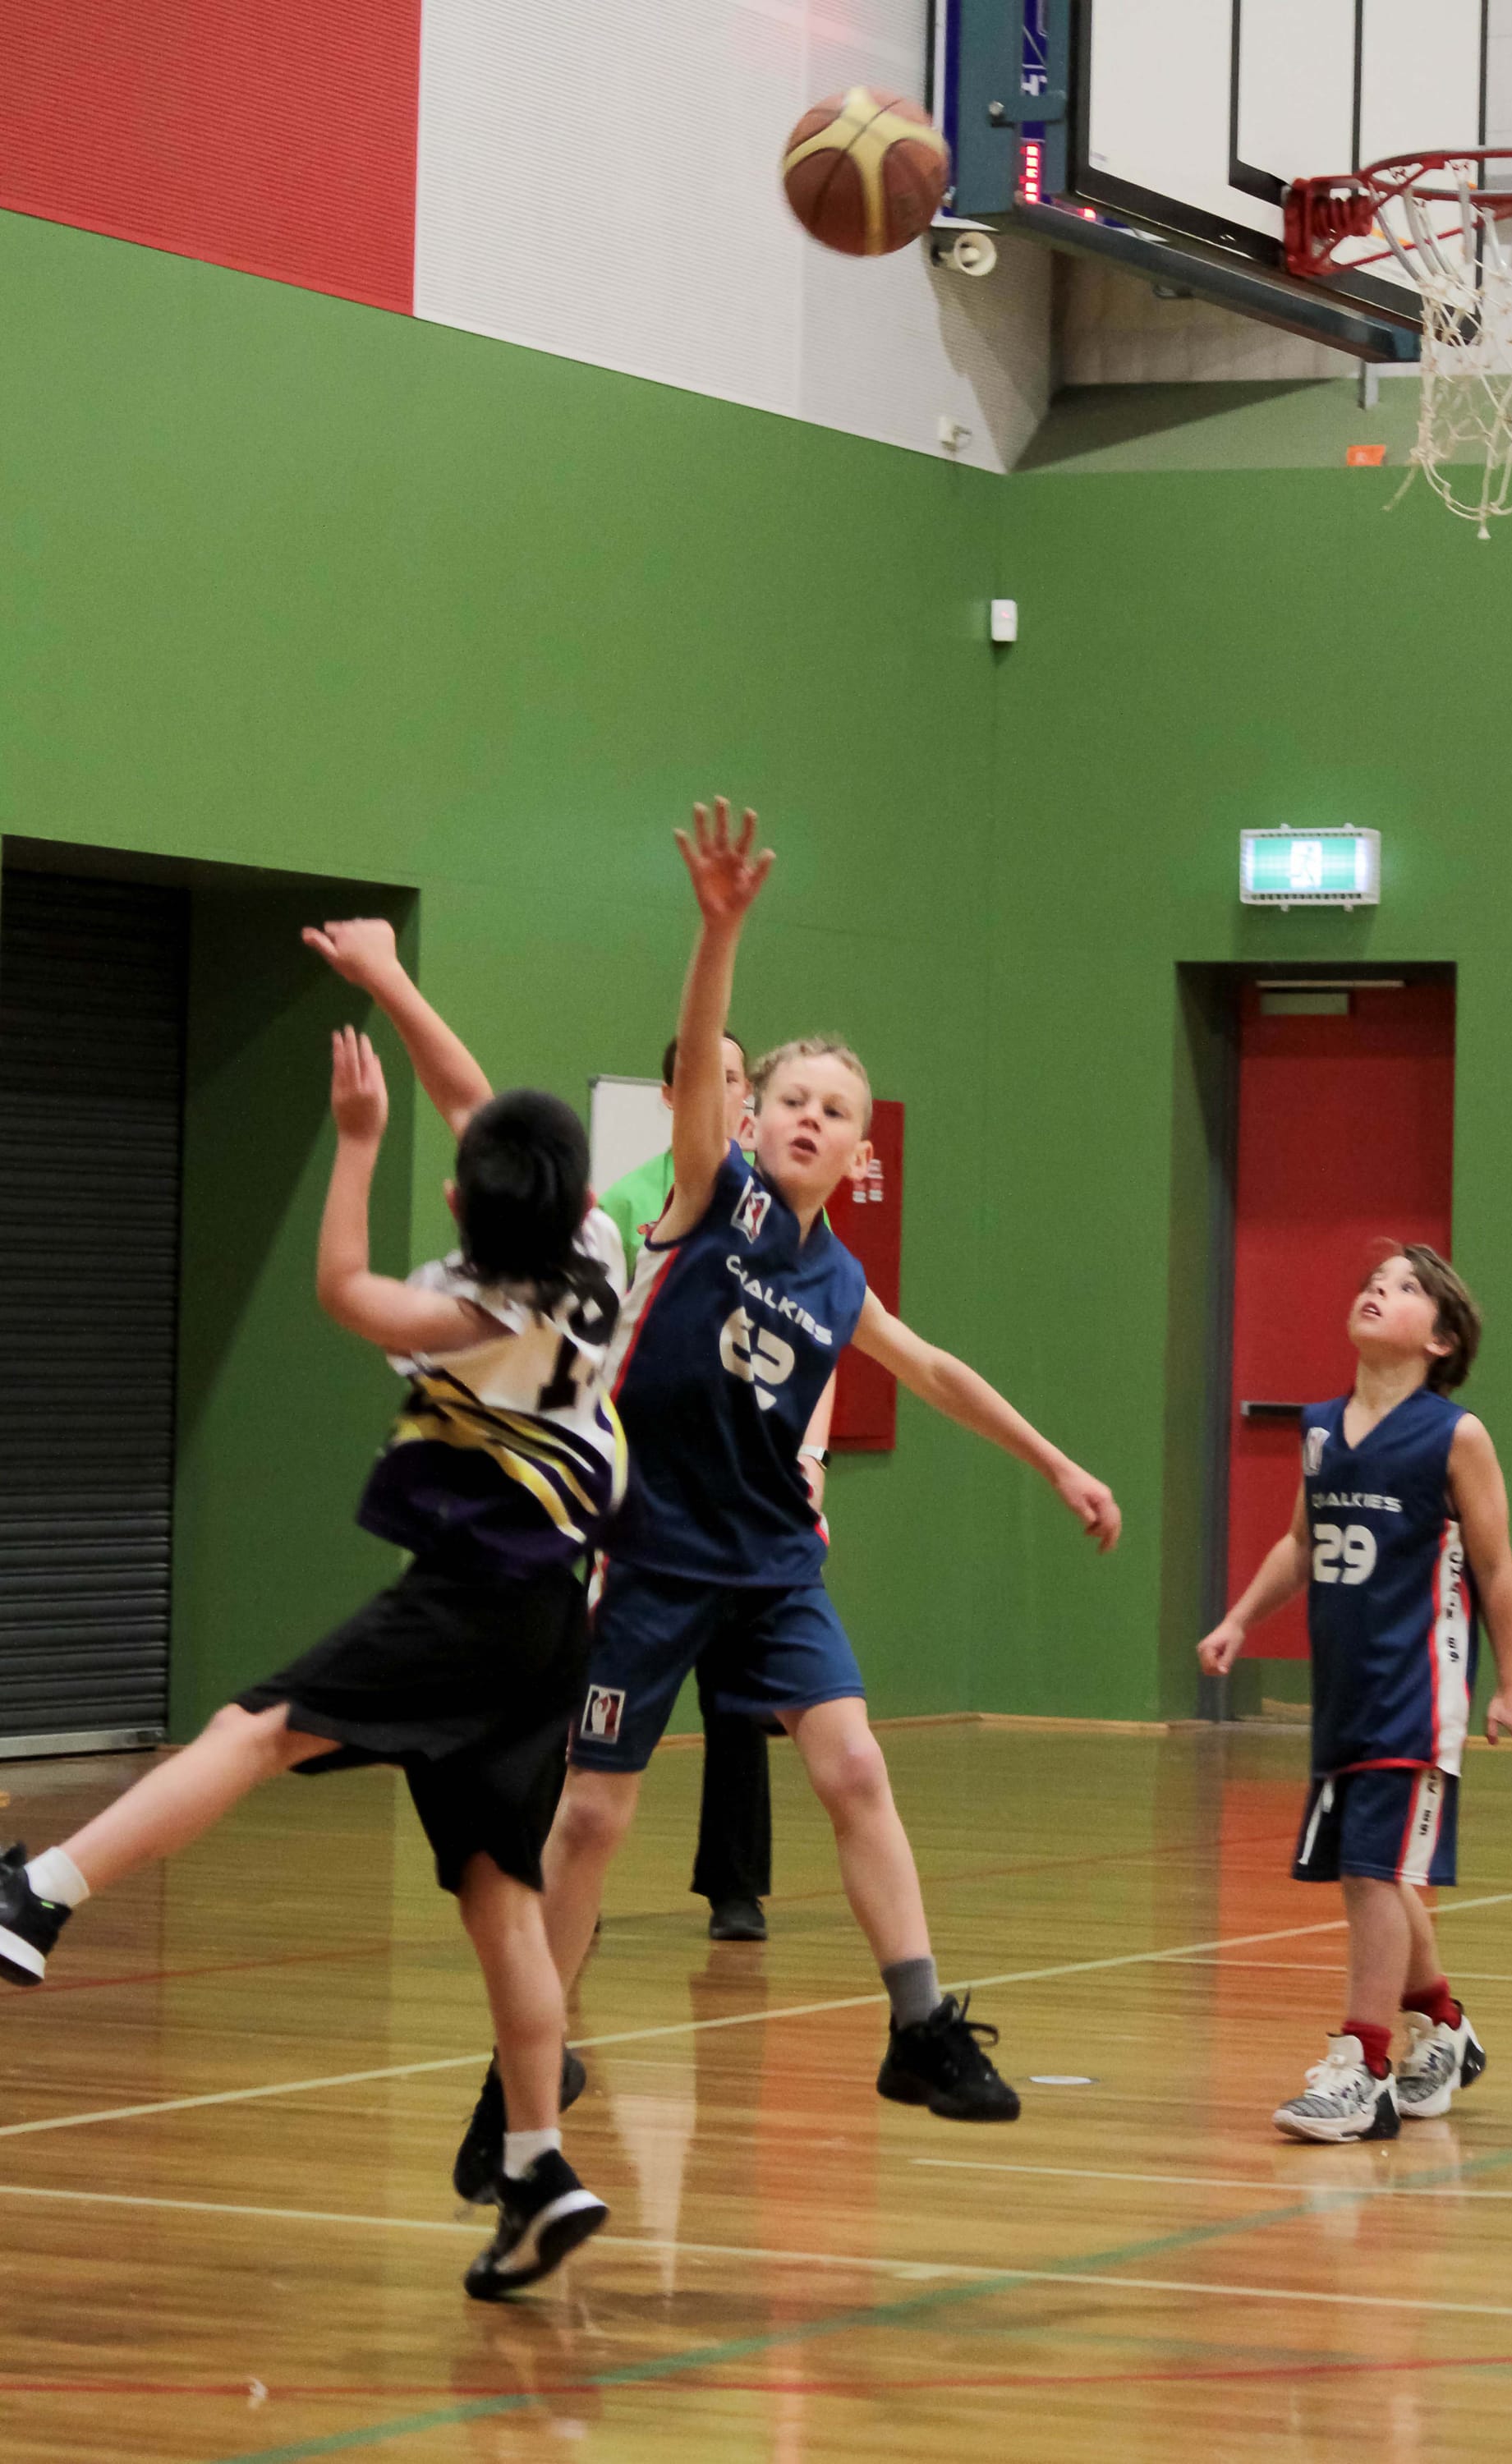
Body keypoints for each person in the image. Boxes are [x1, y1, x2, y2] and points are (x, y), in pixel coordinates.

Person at [455, 796, 1121, 2190]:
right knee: (593, 1819)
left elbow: (932, 1370)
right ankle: (524, 2065)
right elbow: (698, 1058)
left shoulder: (837, 1277)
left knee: (856, 1765)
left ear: (859, 1150)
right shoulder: (711, 1200)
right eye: (791, 1100)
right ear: (750, 1119)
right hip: (654, 1553)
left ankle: (920, 2022)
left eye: (837, 1111)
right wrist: (720, 932)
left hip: (771, 1563)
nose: (811, 1119)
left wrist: (1055, 1460)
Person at [0, 977, 625, 2301]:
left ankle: (37, 1894)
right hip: (553, 1623)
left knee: (258, 1728)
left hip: (467, 1600)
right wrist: (396, 985)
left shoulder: (459, 1316)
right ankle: (537, 2168)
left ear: (462, 1205)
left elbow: (346, 1287)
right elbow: (481, 1107)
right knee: (498, 1900)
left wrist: (352, 1140)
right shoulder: (601, 1261)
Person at [1197, 1245, 1512, 2145]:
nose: (1375, 1292)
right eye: (1372, 1282)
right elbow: (1299, 1544)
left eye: (1402, 1289)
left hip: (1419, 1690)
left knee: (1368, 1873)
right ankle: (1446, 2026)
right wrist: (1237, 1619)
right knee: (1376, 1872)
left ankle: (1364, 2067)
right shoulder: (1320, 1428)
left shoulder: (1453, 1437)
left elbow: (1497, 1569)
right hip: (1343, 1691)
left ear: (1439, 1338)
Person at [603, 1032, 835, 1943]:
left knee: (740, 1701)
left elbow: (829, 1344)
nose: (730, 1092)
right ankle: (561, 1878)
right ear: (673, 1092)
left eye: (742, 1079)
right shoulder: (632, 1201)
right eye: (714, 1076)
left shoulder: (786, 1212)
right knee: (595, 1700)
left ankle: (733, 1885)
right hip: (641, 1492)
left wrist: (809, 1464)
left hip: (742, 1499)